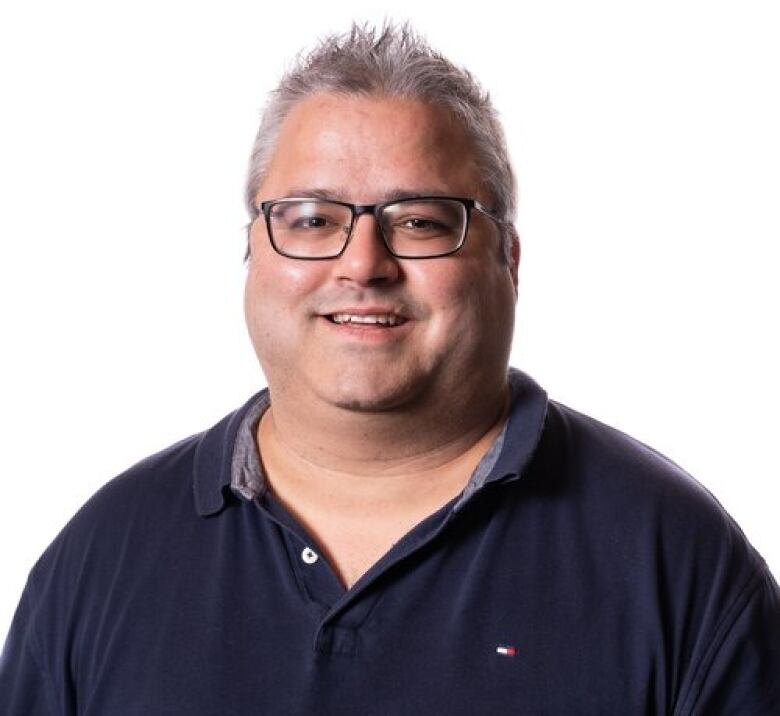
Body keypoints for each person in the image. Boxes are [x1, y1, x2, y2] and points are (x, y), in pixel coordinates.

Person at [1, 20, 778, 715]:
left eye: (419, 222)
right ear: (252, 250)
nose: (363, 264)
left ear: (508, 258)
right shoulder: (104, 557)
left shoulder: (677, 561)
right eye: (312, 219)